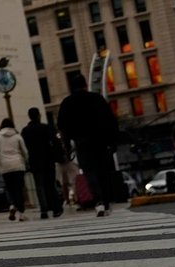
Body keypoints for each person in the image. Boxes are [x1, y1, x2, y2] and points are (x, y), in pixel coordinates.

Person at [56, 71, 120, 216]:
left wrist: (66, 146)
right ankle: (106, 202)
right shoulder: (97, 99)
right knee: (103, 171)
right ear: (85, 84)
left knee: (90, 172)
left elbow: (63, 127)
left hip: (81, 142)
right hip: (100, 141)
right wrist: (113, 141)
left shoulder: (67, 103)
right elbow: (110, 120)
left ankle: (98, 201)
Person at [21, 107, 64, 218]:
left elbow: (25, 147)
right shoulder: (46, 128)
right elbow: (55, 142)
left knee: (39, 186)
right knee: (51, 185)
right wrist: (57, 155)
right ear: (39, 115)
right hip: (48, 160)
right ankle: (56, 209)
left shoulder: (25, 131)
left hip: (35, 161)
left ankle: (44, 210)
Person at [0, 117, 30, 220]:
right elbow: (25, 152)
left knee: (10, 189)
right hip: (18, 165)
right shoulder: (17, 137)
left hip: (5, 167)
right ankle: (21, 213)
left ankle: (12, 205)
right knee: (19, 189)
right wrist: (26, 162)